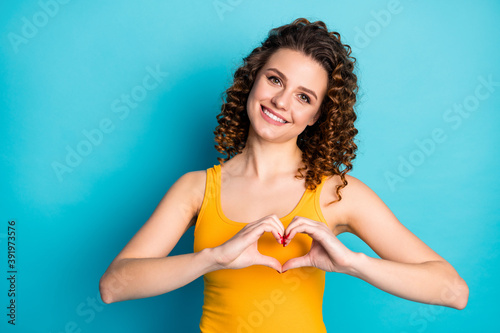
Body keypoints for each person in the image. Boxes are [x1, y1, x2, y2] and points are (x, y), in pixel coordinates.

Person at [99, 18, 469, 332]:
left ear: (317, 117)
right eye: (275, 80)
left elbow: (453, 291)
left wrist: (353, 263)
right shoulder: (196, 189)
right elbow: (114, 285)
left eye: (304, 97)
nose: (281, 102)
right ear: (253, 80)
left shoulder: (336, 193)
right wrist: (214, 257)